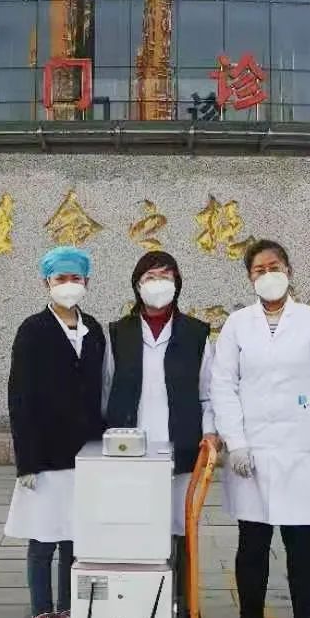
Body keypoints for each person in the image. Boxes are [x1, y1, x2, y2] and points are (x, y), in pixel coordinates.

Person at [211, 238, 310, 618]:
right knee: (251, 549)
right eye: (258, 269)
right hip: (251, 453)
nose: (267, 274)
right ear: (249, 278)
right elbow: (222, 385)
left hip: (301, 451)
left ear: (288, 270)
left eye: (274, 266)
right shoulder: (238, 325)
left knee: (301, 548)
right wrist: (235, 442)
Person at [103, 251, 217, 598]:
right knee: (134, 525)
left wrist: (210, 433)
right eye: (150, 277)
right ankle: (136, 603)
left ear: (177, 283)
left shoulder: (196, 334)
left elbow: (208, 393)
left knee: (180, 528)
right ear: (137, 285)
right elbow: (106, 389)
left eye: (165, 276)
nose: (158, 284)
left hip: (181, 448)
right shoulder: (118, 333)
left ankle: (181, 607)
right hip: (130, 452)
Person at [5, 246, 105, 618]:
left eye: (75, 278)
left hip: (84, 453)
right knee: (43, 536)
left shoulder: (93, 329)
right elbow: (20, 397)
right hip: (45, 454)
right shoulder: (33, 330)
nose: (68, 285)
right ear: (46, 282)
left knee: (75, 537)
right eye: (60, 278)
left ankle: (68, 605)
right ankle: (41, 608)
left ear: (87, 282)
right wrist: (26, 461)